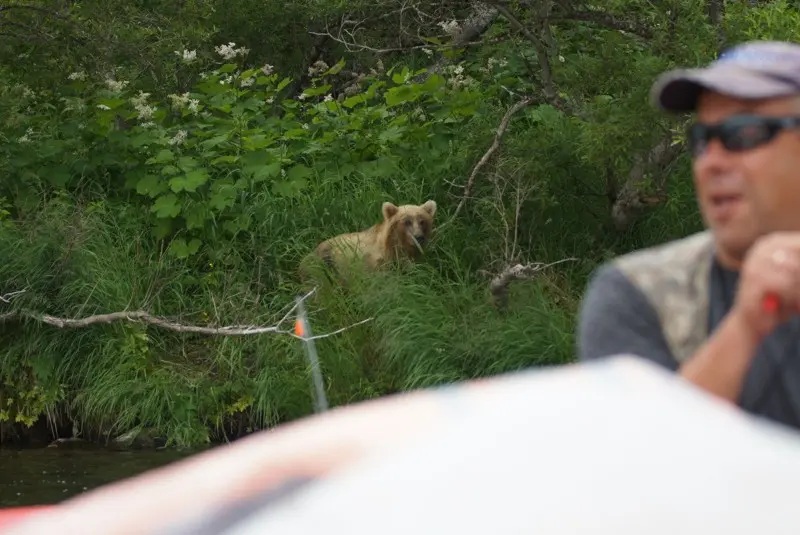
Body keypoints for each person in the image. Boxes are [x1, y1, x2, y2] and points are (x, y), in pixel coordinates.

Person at [577, 40, 800, 431]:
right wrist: (748, 324)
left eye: (743, 133)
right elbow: (636, 469)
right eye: (702, 140)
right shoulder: (640, 294)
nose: (710, 163)